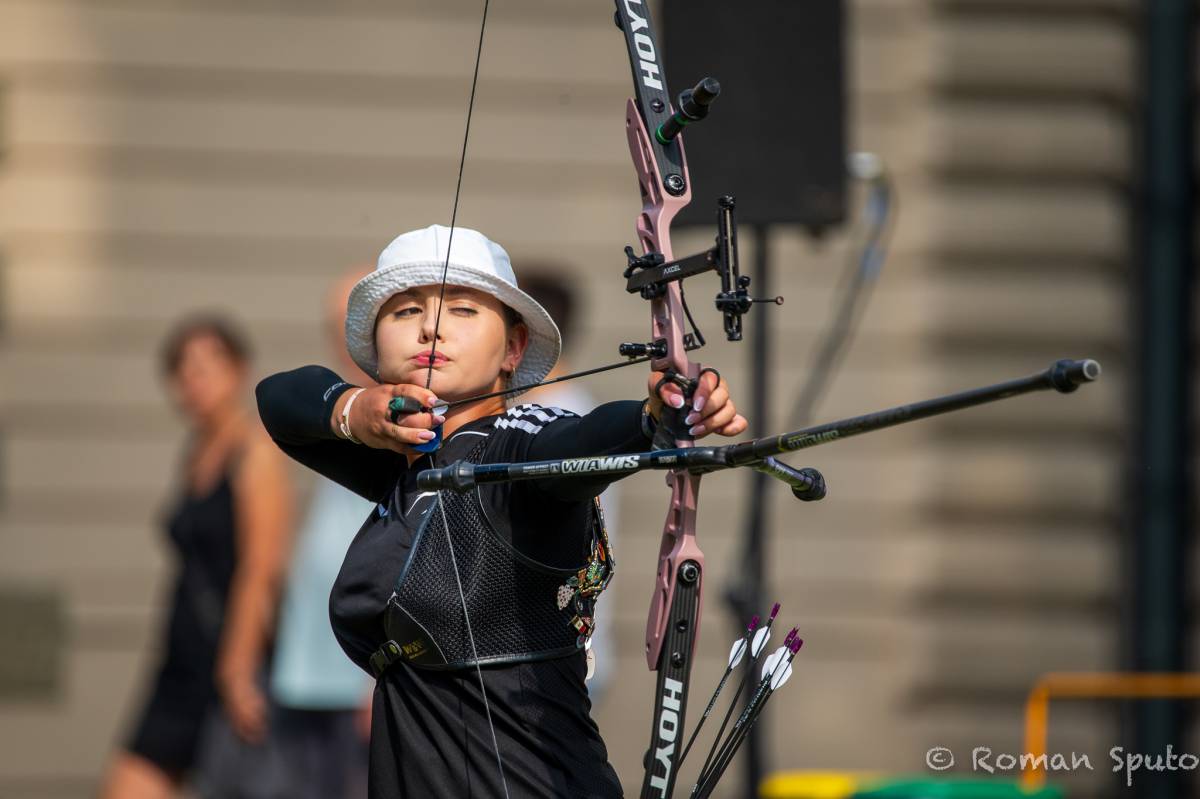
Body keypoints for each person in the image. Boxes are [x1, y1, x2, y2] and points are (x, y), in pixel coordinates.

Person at [255, 224, 746, 798]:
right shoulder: (405, 467)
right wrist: (355, 409)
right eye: (406, 310)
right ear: (378, 346)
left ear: (513, 349)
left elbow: (581, 440)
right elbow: (279, 400)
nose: (430, 326)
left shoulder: (517, 448)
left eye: (463, 310)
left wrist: (656, 418)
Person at [101, 316, 293, 799]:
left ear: (239, 370)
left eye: (209, 366)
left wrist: (237, 668)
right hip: (179, 657)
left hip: (228, 657)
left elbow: (261, 566)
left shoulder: (256, 451)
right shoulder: (196, 451)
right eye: (183, 370)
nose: (195, 380)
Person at [268, 269, 374, 799]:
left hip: (358, 681)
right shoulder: (353, 411)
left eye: (355, 324)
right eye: (336, 326)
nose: (344, 340)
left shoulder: (403, 417)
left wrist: (379, 683)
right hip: (308, 674)